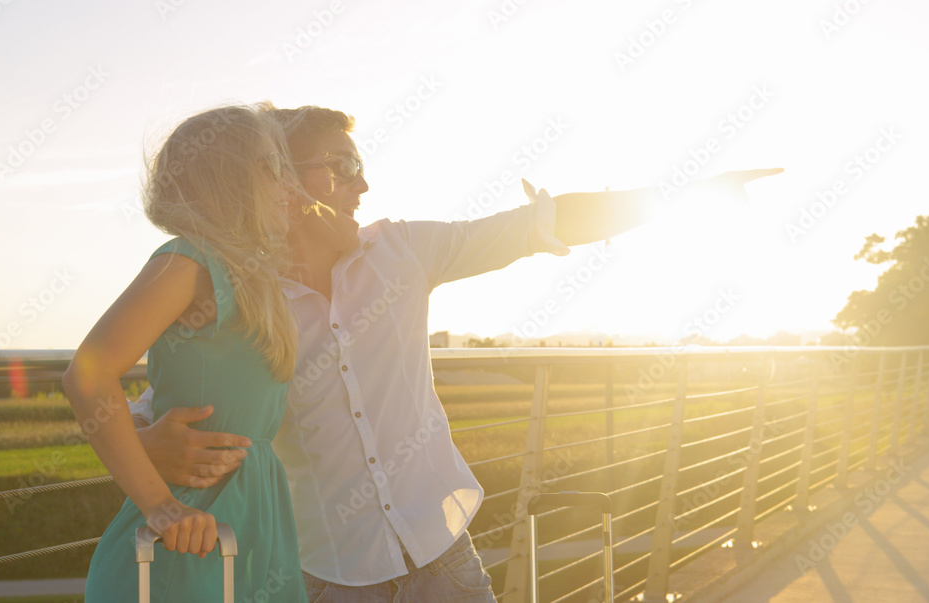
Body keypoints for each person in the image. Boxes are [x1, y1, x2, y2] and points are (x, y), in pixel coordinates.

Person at [131, 104, 782, 601]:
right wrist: (150, 445)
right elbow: (147, 401)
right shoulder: (240, 299)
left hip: (444, 553)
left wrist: (693, 192)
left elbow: (545, 222)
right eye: (344, 165)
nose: (363, 183)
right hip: (327, 576)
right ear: (281, 184)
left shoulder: (404, 250)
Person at [63, 104, 311, 602]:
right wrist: (160, 506)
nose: (290, 185)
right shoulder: (189, 260)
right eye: (275, 167)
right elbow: (87, 375)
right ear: (232, 180)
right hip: (189, 538)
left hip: (255, 523)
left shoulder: (253, 281)